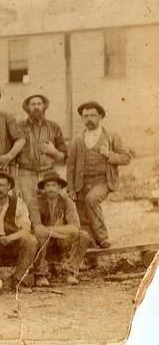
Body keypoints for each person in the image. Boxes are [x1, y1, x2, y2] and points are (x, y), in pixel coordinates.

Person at [66, 101, 131, 249]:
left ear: (100, 116)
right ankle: (91, 253)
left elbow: (127, 157)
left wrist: (109, 154)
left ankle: (103, 238)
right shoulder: (78, 140)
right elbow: (71, 166)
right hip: (81, 183)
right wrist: (70, 188)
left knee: (92, 199)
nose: (89, 119)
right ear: (82, 118)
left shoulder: (111, 136)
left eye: (93, 115)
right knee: (82, 215)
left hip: (103, 181)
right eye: (85, 116)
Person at [29, 171, 91, 287]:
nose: (51, 189)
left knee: (84, 235)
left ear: (59, 187)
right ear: (43, 188)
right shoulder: (35, 202)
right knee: (39, 235)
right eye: (48, 186)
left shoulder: (67, 202)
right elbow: (37, 228)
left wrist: (51, 230)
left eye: (54, 185)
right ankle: (40, 274)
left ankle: (70, 272)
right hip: (43, 243)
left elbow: (75, 227)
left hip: (62, 241)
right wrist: (59, 232)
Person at [17, 95, 67, 206]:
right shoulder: (19, 127)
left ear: (44, 107)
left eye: (39, 104)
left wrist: (53, 151)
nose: (36, 107)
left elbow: (63, 157)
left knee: (52, 204)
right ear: (27, 107)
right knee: (29, 206)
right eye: (33, 104)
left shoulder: (54, 127)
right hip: (26, 175)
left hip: (48, 173)